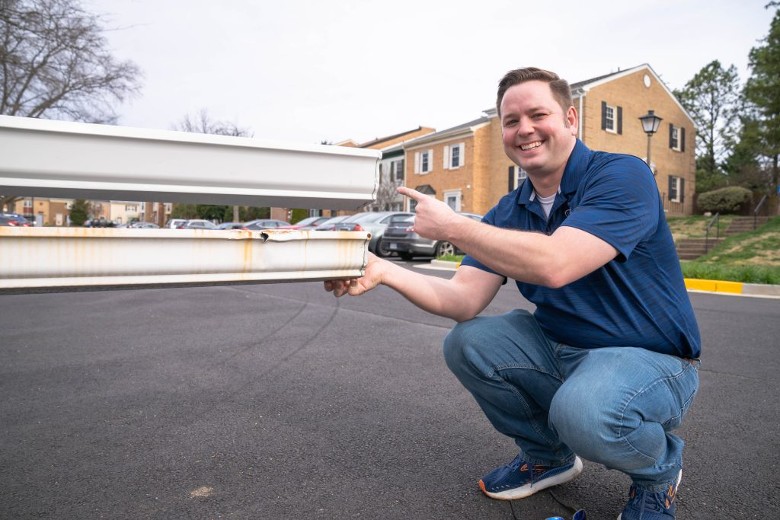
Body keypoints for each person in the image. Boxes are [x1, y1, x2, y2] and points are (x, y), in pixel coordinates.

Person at [324, 67, 700, 520]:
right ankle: (549, 457)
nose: (524, 129)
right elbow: (461, 300)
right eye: (510, 120)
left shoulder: (621, 176)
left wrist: (454, 226)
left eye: (538, 114)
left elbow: (557, 263)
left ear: (570, 119)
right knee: (469, 342)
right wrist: (384, 270)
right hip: (562, 348)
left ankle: (659, 472)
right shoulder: (511, 209)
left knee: (583, 411)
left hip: (650, 359)